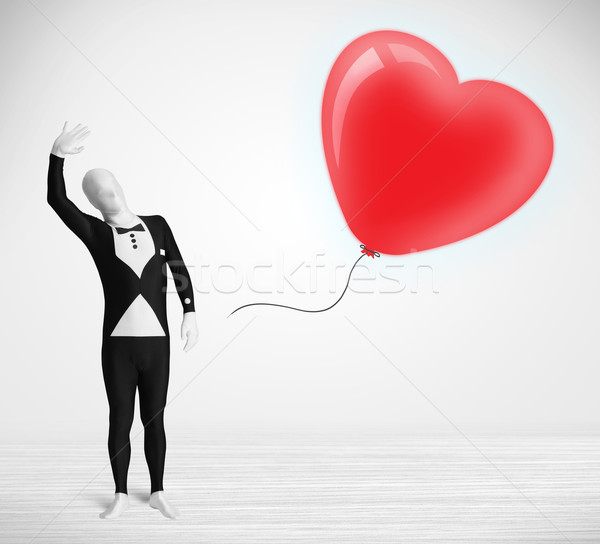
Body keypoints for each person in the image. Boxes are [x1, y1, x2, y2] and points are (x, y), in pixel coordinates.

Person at [47, 122, 199, 520]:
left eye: (108, 184)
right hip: (118, 345)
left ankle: (158, 491)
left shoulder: (159, 224)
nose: (106, 193)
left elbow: (179, 268)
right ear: (92, 202)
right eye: (96, 192)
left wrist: (191, 313)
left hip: (157, 344)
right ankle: (119, 492)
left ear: (120, 184)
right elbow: (57, 201)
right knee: (120, 418)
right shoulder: (96, 233)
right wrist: (56, 157)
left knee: (155, 419)